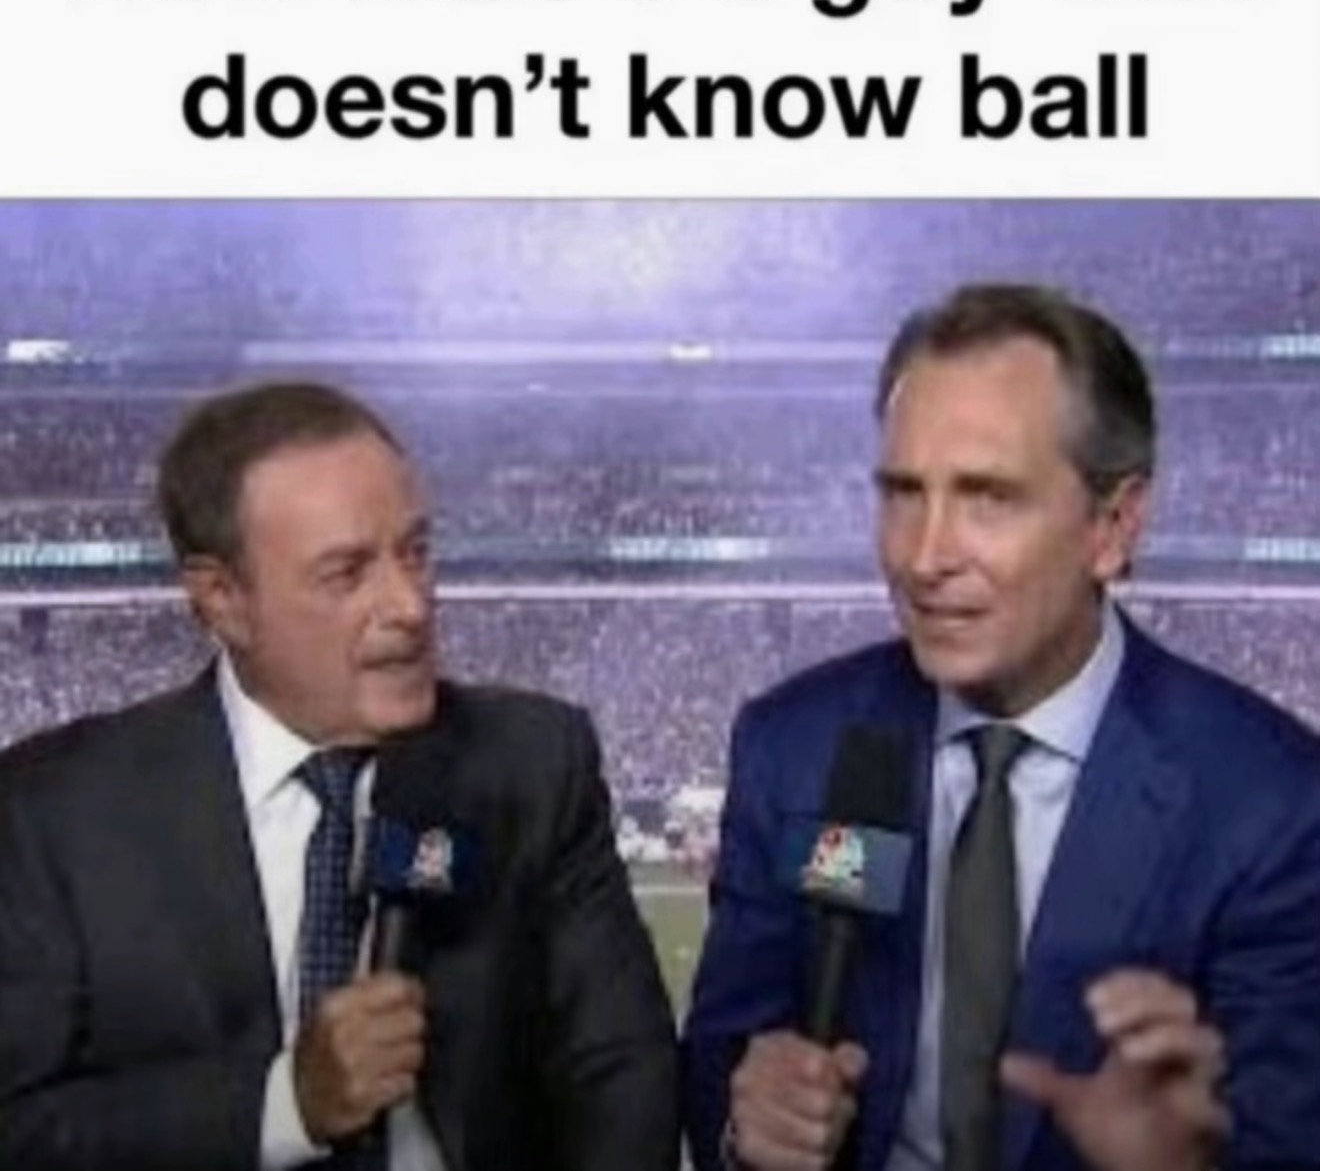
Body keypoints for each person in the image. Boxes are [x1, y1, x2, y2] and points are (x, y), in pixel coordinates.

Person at [681, 284, 1320, 1170]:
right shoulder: (795, 745)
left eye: (987, 497)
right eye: (904, 493)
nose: (925, 556)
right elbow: (720, 1062)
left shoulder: (1270, 803)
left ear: (1113, 526)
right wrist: (747, 1123)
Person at [0, 382, 679, 1171]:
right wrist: (284, 1106)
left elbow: (620, 1074)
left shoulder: (532, 763)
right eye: (347, 572)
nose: (410, 605)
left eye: (414, 552)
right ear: (222, 601)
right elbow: (18, 1127)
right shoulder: (55, 812)